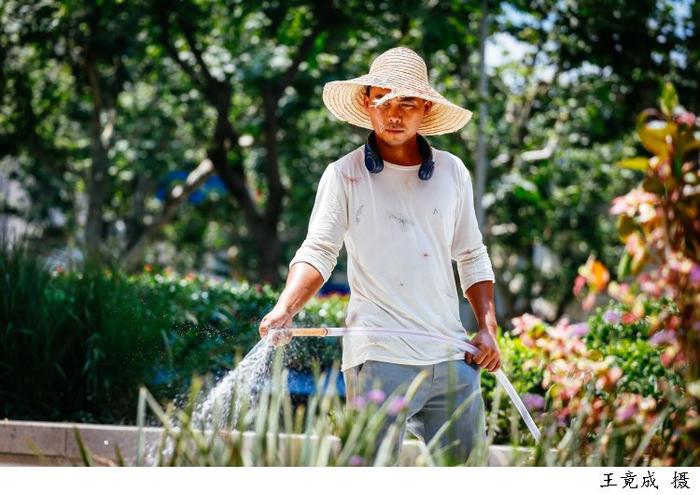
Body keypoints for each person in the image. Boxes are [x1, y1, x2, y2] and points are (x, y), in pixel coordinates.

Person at [258, 46, 500, 464]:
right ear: (366, 104)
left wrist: (487, 327)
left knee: (467, 475)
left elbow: (472, 255)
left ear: (425, 108)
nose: (394, 114)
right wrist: (285, 308)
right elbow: (318, 250)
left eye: (407, 103)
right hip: (377, 356)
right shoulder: (343, 175)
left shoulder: (452, 172)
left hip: (450, 354)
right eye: (383, 101)